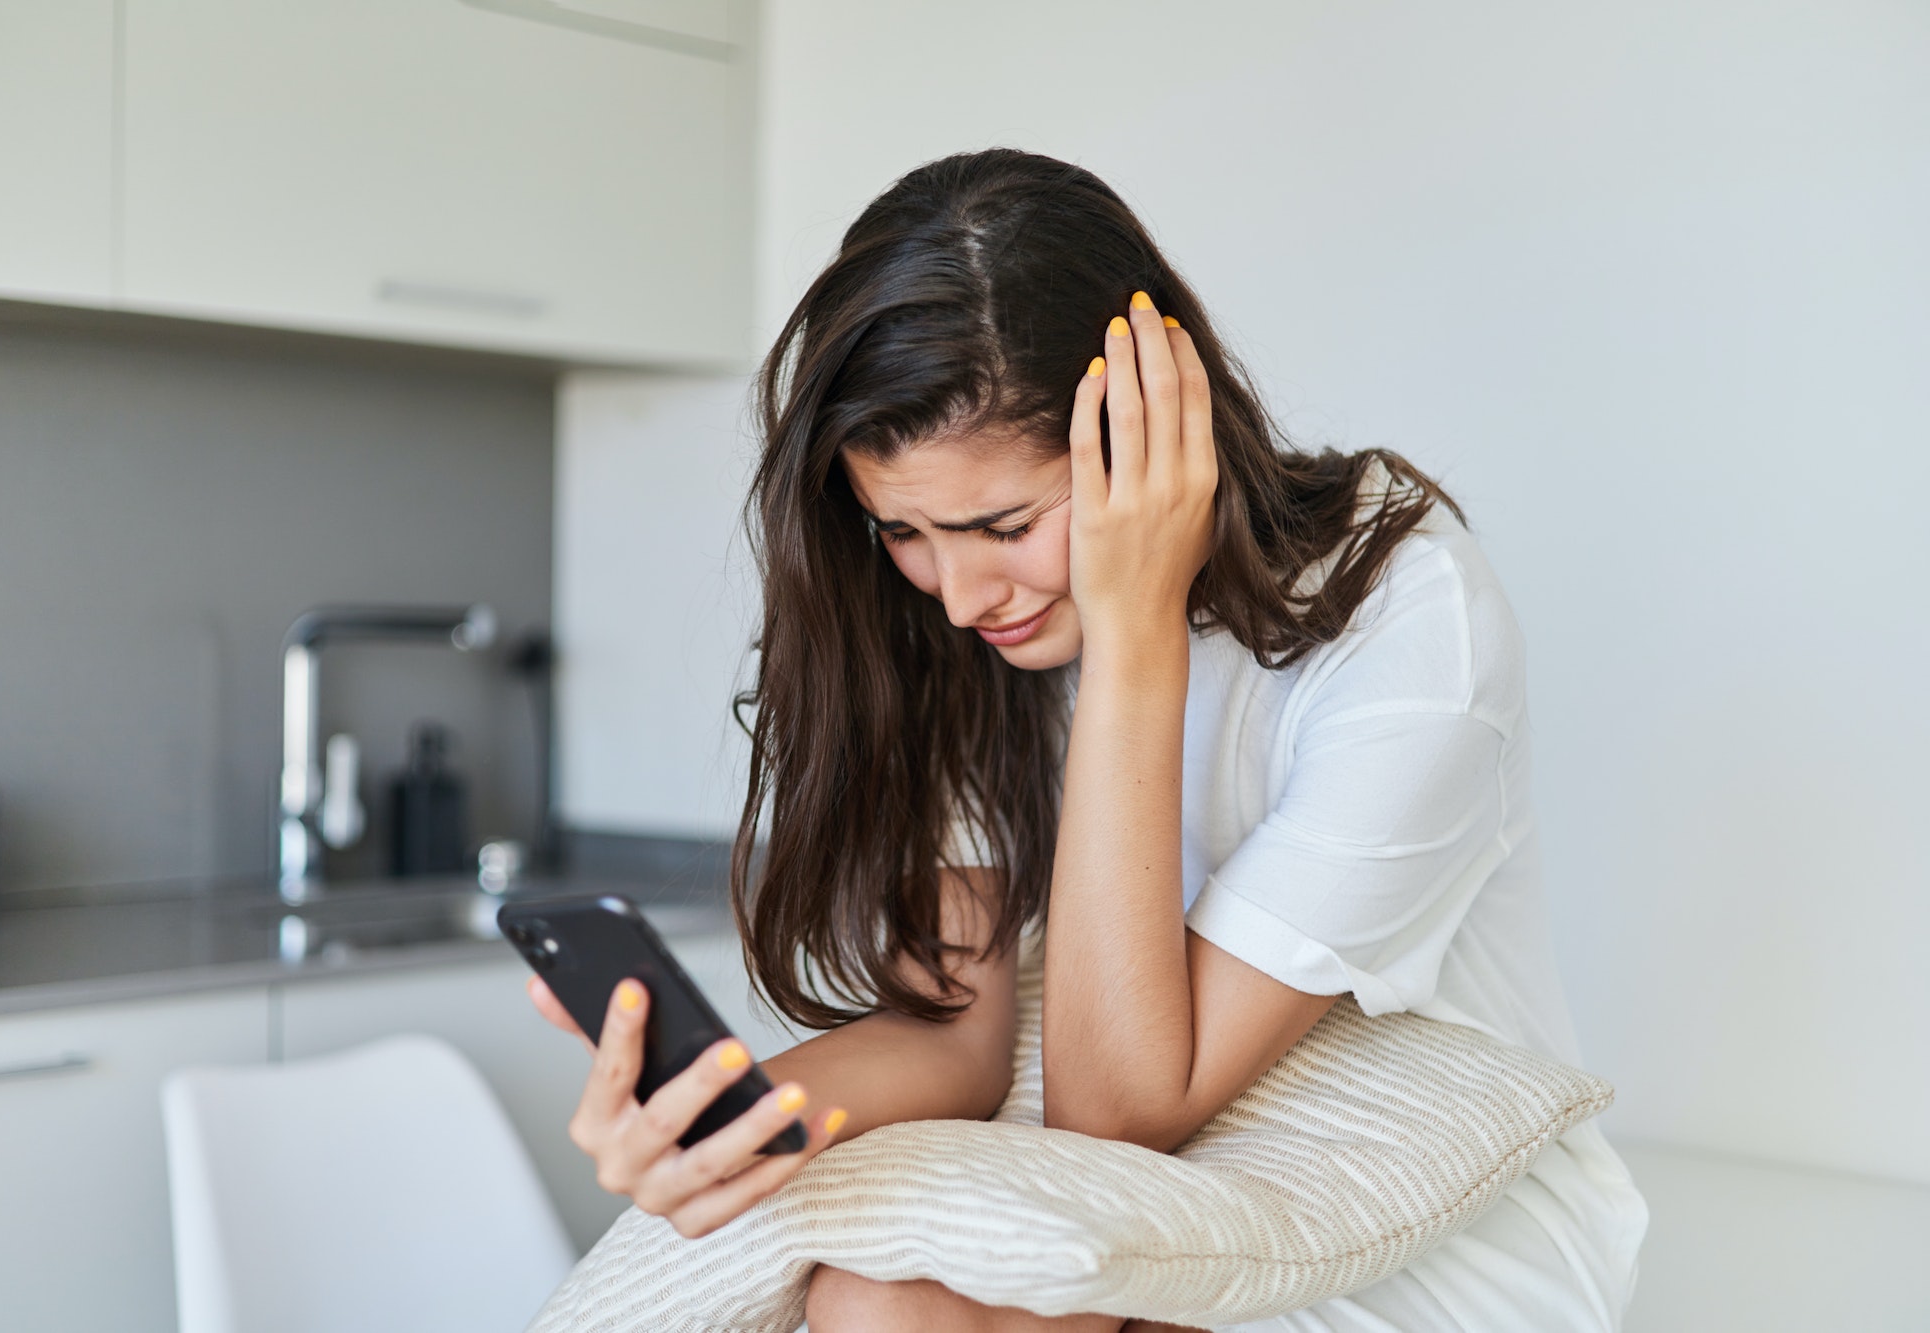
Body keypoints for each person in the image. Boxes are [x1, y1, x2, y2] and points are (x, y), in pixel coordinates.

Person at [526, 148, 1649, 1331]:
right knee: (868, 1289)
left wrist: (1133, 634)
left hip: (1413, 1227)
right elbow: (954, 1036)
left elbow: (1116, 1109)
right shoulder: (962, 632)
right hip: (1139, 1198)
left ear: (1148, 434)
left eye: (1003, 523)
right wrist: (732, 1115)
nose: (958, 594)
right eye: (902, 532)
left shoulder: (1403, 624)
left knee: (890, 1305)